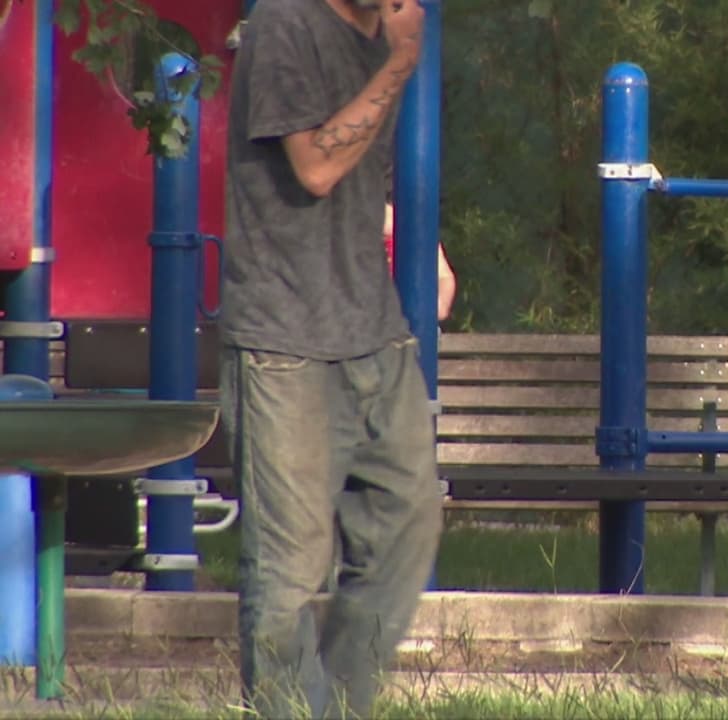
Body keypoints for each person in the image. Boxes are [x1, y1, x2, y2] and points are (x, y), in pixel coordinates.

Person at [219, 0, 445, 717]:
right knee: (290, 569)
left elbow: (363, 169)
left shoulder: (379, 30)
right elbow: (316, 165)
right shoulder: (285, 22)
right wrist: (401, 63)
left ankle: (341, 707)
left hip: (373, 330)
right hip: (285, 338)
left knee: (407, 526)